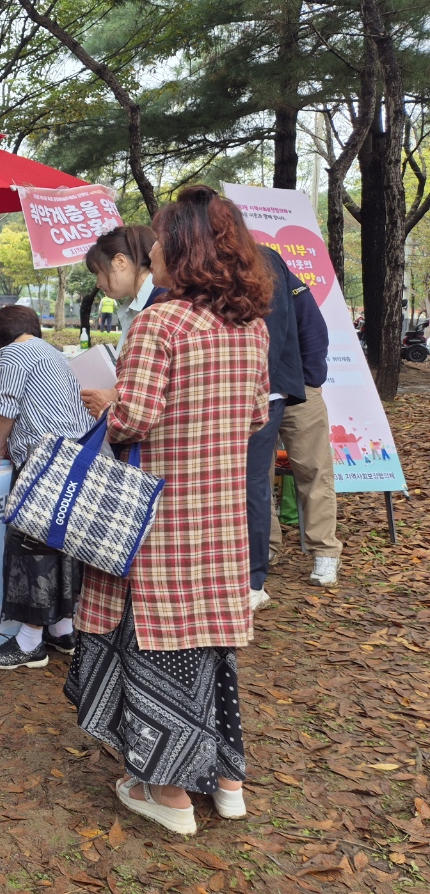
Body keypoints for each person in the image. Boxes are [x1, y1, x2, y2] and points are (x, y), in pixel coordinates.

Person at [75, 185, 272, 836]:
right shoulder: (251, 327)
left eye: (160, 237)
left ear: (183, 250)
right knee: (214, 650)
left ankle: (169, 794)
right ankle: (227, 780)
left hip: (161, 522)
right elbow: (252, 417)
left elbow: (133, 420)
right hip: (221, 520)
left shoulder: (160, 324)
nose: (151, 246)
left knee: (158, 650)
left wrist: (108, 406)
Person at [0, 306, 91, 671]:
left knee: (30, 547)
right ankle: (63, 628)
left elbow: (4, 407)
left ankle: (30, 642)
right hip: (73, 457)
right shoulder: (52, 352)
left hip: (42, 461)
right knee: (61, 545)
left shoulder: (13, 353)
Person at [244, 246, 310, 611]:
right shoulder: (256, 256)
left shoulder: (259, 260)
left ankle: (254, 579)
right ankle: (250, 573)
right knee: (251, 483)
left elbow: (283, 325)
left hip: (261, 391)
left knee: (253, 483)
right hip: (258, 388)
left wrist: (258, 386)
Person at [267, 276, 340, 586]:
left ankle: (325, 551)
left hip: (299, 390)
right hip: (255, 393)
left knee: (314, 470)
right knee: (254, 474)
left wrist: (309, 381)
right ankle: (264, 547)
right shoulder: (227, 281)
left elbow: (314, 330)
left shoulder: (287, 282)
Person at [84, 226, 163, 342]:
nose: (98, 284)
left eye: (97, 273)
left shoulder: (161, 305)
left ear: (120, 262)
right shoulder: (141, 304)